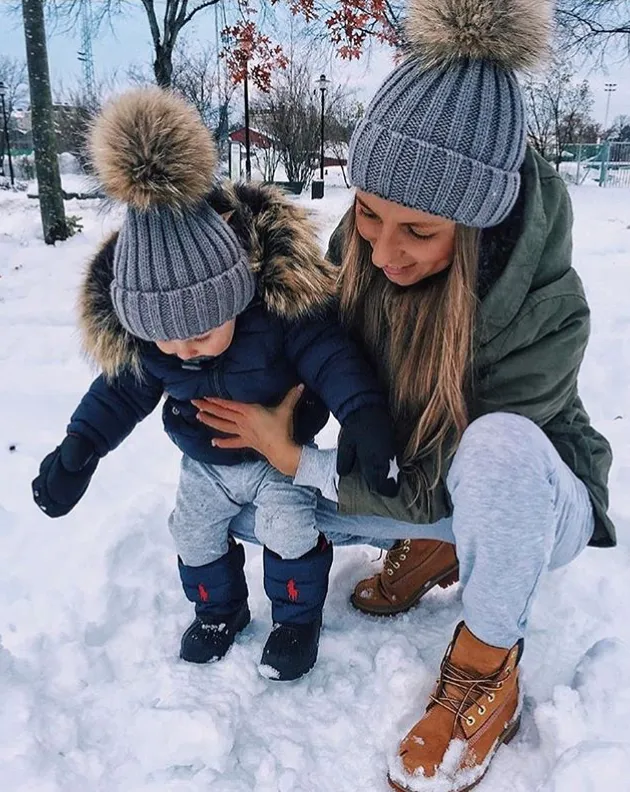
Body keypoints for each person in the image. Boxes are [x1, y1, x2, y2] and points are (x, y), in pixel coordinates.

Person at [193, 0, 616, 788]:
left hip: (530, 495)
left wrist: (296, 455)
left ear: (478, 225)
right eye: (370, 215)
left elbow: (462, 470)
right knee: (253, 509)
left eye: (418, 232)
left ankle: (486, 669)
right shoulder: (359, 251)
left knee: (495, 455)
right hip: (415, 478)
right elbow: (310, 364)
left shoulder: (543, 312)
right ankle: (441, 544)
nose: (383, 251)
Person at [31, 87, 399, 683]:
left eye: (201, 330)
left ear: (235, 290)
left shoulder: (280, 316)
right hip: (203, 464)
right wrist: (80, 450)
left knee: (290, 530)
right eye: (165, 339)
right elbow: (121, 391)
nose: (184, 350)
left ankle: (296, 620)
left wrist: (362, 413)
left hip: (280, 457)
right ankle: (217, 610)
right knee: (194, 532)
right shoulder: (156, 348)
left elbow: (331, 357)